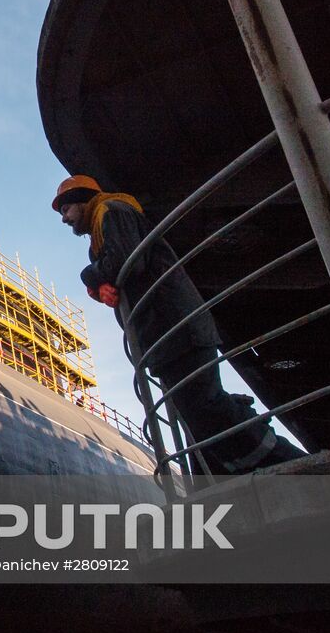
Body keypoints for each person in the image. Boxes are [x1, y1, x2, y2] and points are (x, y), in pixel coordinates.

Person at [52, 175, 304, 474]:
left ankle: (289, 463)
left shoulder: (111, 211)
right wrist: (99, 282)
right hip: (163, 334)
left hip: (175, 327)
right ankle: (218, 481)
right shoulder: (100, 230)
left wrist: (89, 275)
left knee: (206, 408)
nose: (65, 219)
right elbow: (117, 268)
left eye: (66, 209)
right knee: (193, 417)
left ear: (83, 199)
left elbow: (127, 261)